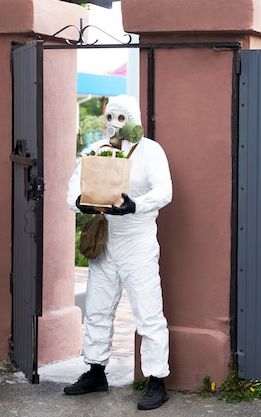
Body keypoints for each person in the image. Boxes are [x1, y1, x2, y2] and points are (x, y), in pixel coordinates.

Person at [65, 95, 172, 411]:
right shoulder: (97, 150)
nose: (115, 124)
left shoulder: (151, 151)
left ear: (134, 119)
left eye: (122, 118)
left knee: (148, 314)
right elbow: (73, 190)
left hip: (138, 244)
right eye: (110, 117)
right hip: (105, 243)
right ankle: (96, 371)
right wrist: (83, 203)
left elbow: (164, 190)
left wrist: (136, 205)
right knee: (97, 309)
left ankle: (156, 380)